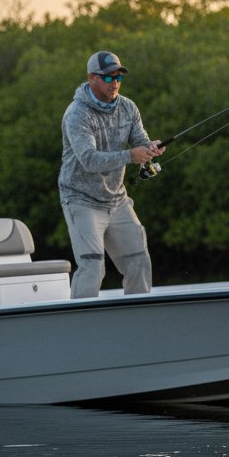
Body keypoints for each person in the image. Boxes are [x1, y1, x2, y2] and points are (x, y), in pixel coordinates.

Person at [57, 50, 166, 298]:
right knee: (92, 266)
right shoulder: (77, 114)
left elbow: (140, 140)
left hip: (117, 200)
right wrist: (130, 156)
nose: (114, 83)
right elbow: (89, 160)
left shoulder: (128, 107)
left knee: (139, 260)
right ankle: (79, 319)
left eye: (118, 77)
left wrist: (151, 148)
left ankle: (136, 316)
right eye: (108, 77)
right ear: (91, 78)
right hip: (81, 199)